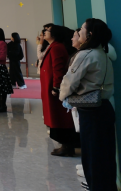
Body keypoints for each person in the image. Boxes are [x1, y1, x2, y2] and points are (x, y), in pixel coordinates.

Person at [60, 19, 116, 191]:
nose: (78, 32)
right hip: (105, 107)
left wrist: (63, 97)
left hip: (90, 111)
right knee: (106, 155)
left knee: (92, 156)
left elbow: (70, 81)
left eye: (82, 29)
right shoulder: (104, 54)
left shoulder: (85, 55)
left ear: (89, 34)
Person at [40, 25, 78, 157]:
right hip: (50, 87)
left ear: (55, 34)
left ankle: (67, 146)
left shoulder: (57, 47)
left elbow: (58, 69)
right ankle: (65, 145)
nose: (44, 32)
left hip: (54, 89)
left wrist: (56, 87)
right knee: (56, 117)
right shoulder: (53, 46)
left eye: (47, 31)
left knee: (60, 118)